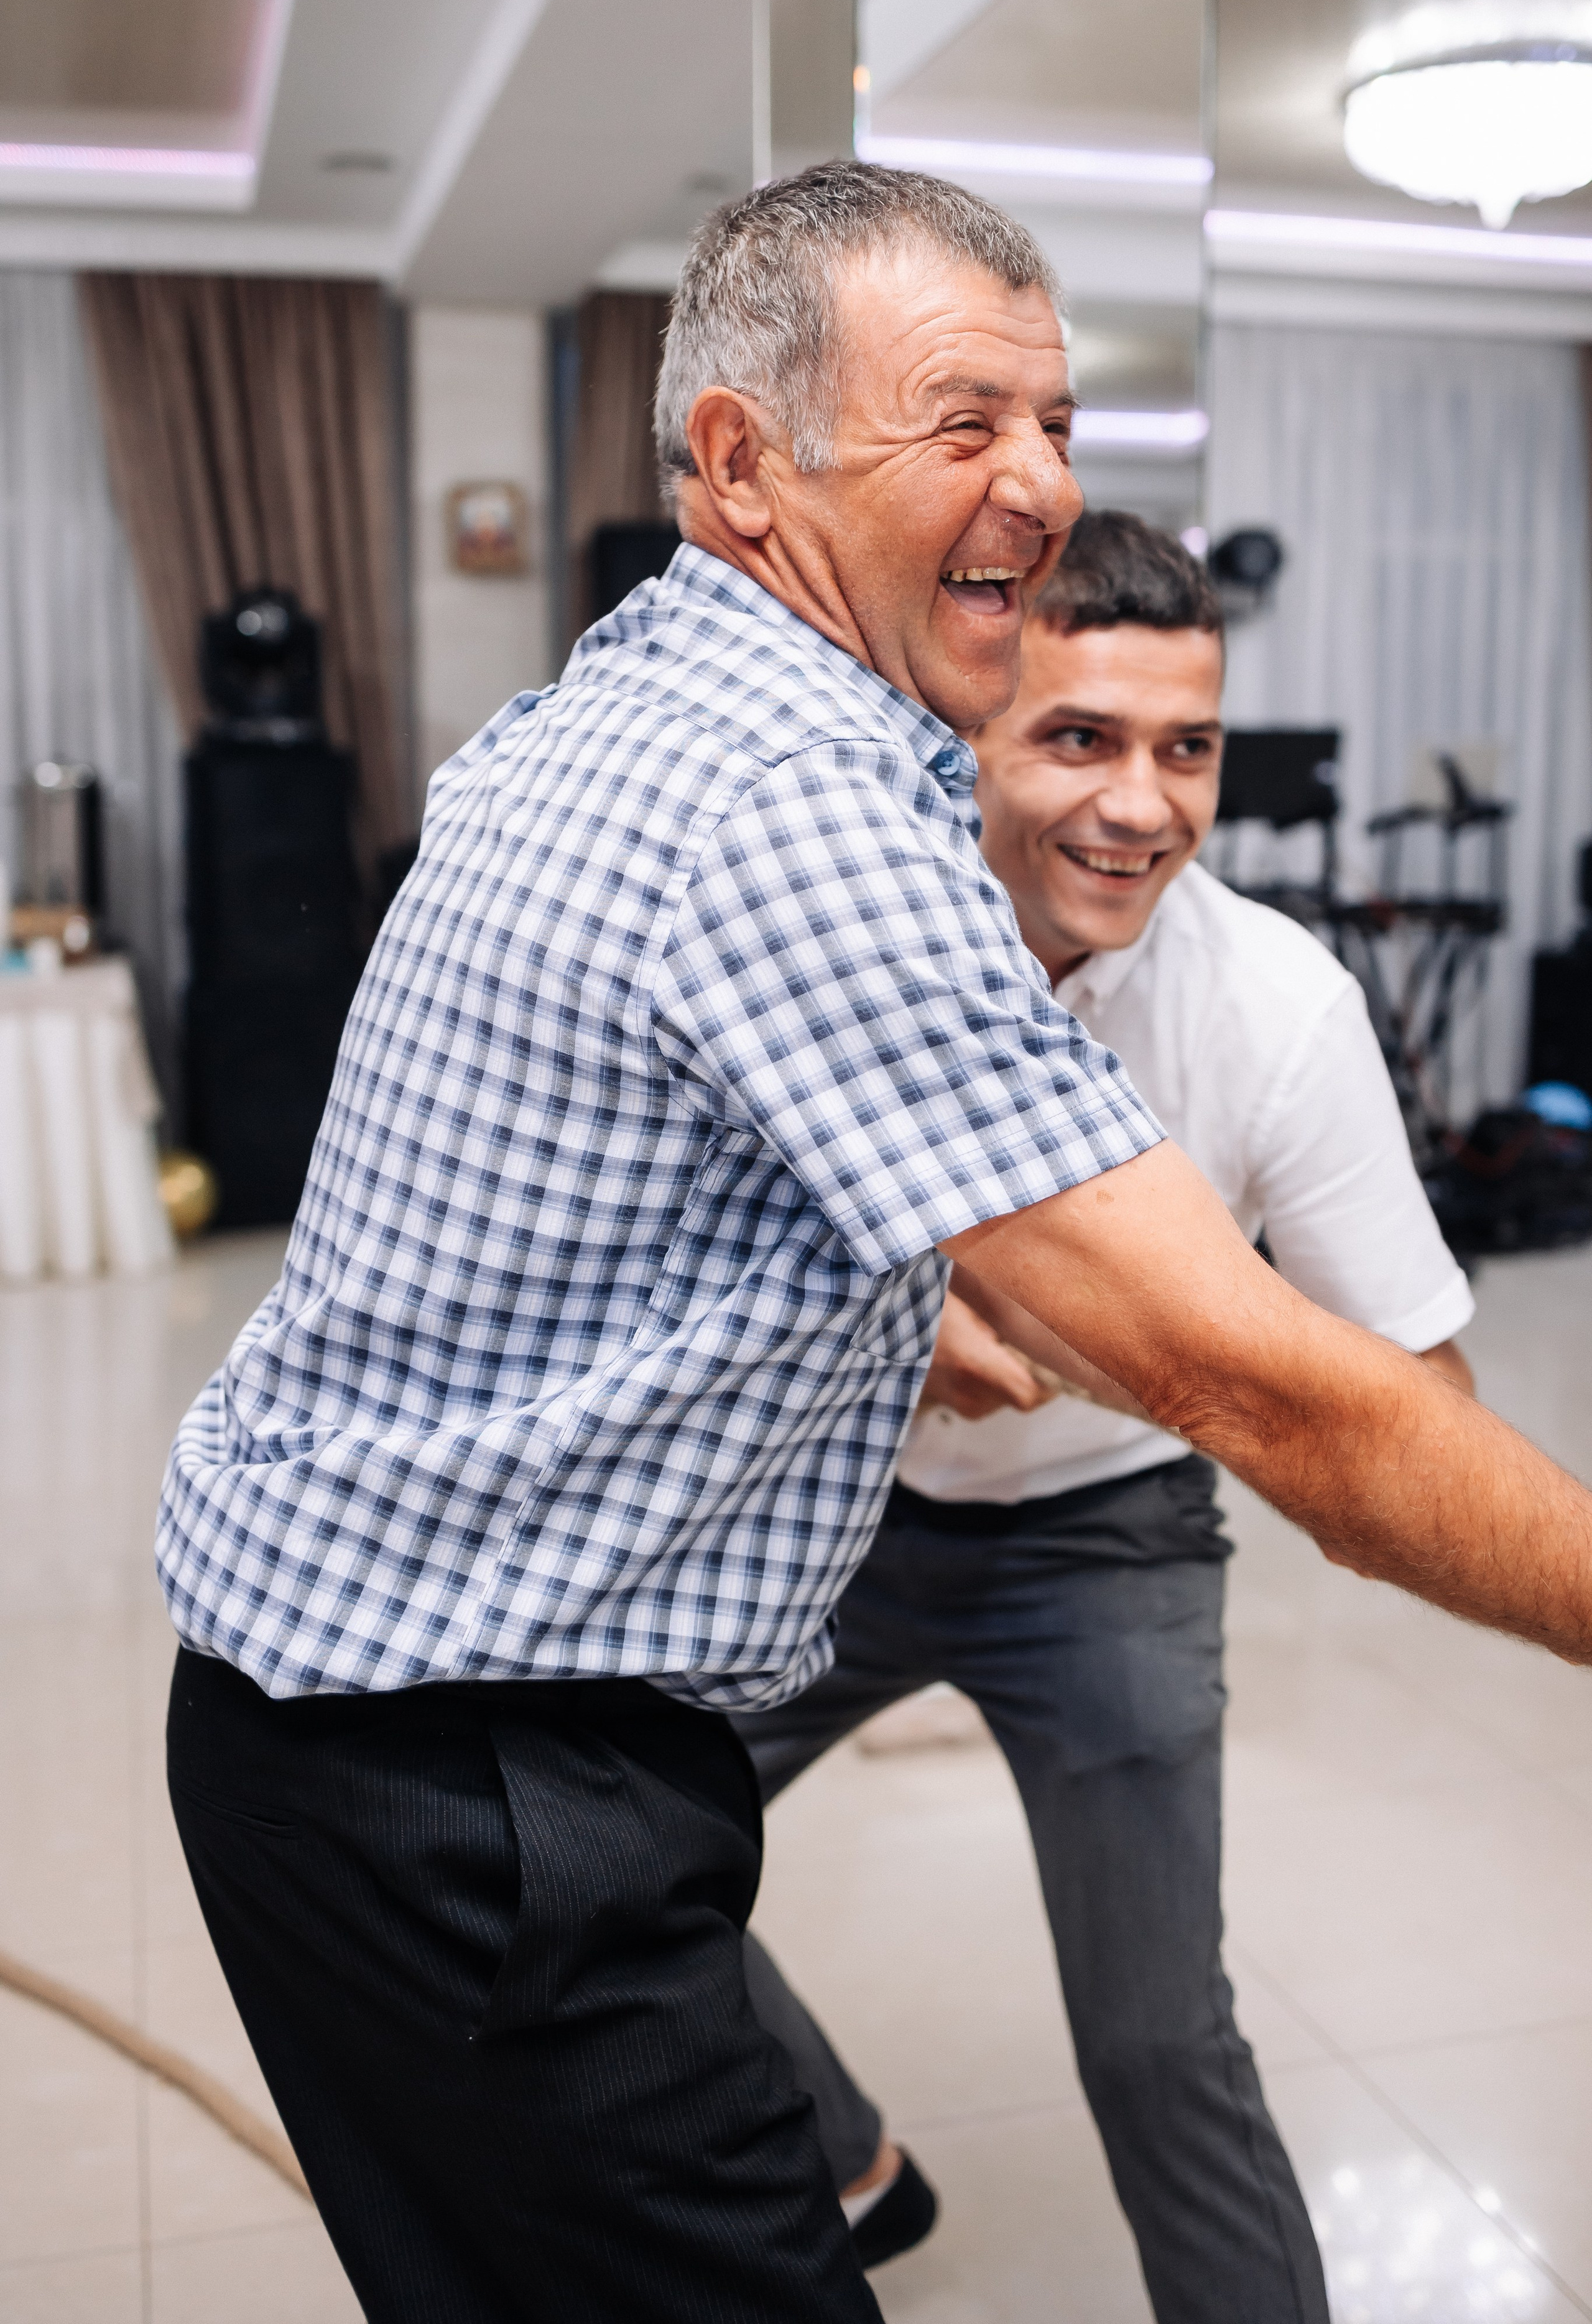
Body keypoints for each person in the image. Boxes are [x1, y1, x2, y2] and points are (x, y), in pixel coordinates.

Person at [155, 162, 1592, 2324]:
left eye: (1058, 422)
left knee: (1154, 2037)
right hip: (473, 1783)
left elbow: (636, 1187)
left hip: (361, 1725)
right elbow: (1267, 1387)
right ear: (743, 464)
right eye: (963, 422)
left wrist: (894, 1309)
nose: (1040, 483)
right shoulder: (799, 811)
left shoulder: (632, 696)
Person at [739, 510, 1475, 2318]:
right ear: (971, 725)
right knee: (595, 1861)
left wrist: (1225, 1375)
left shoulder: (1280, 1009)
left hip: (1109, 1539)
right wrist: (902, 1324)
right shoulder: (832, 926)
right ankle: (849, 2161)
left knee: (1161, 2043)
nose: (1140, 806)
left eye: (1186, 749)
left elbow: (1421, 1396)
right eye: (1080, 738)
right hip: (828, 1506)